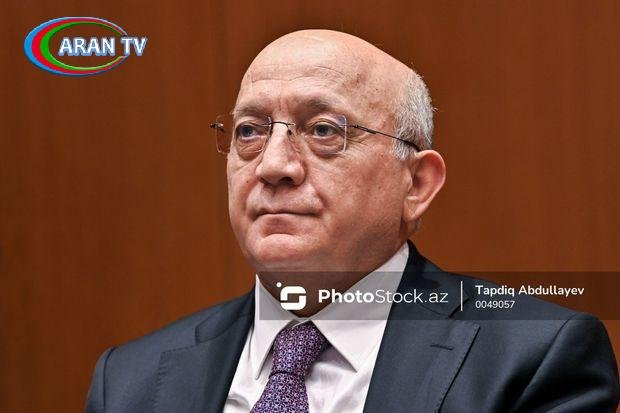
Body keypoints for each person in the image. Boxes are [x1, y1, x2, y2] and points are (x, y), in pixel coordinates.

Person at [85, 30, 619, 413]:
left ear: (416, 184)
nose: (273, 165)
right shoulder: (129, 383)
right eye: (249, 130)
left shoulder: (533, 360)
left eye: (324, 130)